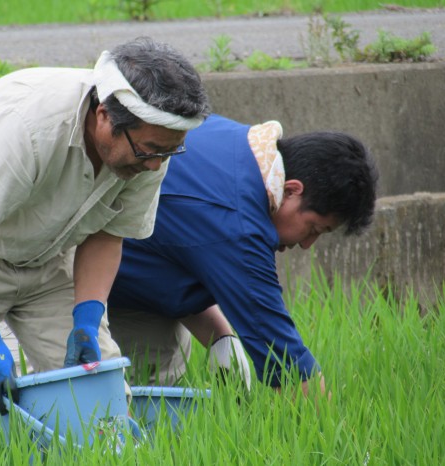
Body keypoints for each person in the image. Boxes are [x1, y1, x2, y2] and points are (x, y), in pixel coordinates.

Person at [0, 37, 210, 441]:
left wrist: (86, 319)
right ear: (104, 116)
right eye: (149, 150)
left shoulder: (149, 154)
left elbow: (108, 233)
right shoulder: (28, 127)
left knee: (104, 405)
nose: (155, 165)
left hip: (45, 255)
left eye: (168, 152)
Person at [107, 113, 378, 396]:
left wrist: (220, 337)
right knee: (96, 402)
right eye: (314, 229)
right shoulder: (240, 223)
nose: (307, 244)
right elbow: (285, 360)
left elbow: (176, 249)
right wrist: (332, 431)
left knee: (159, 388)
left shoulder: (236, 141)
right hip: (68, 265)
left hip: (118, 267)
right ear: (291, 190)